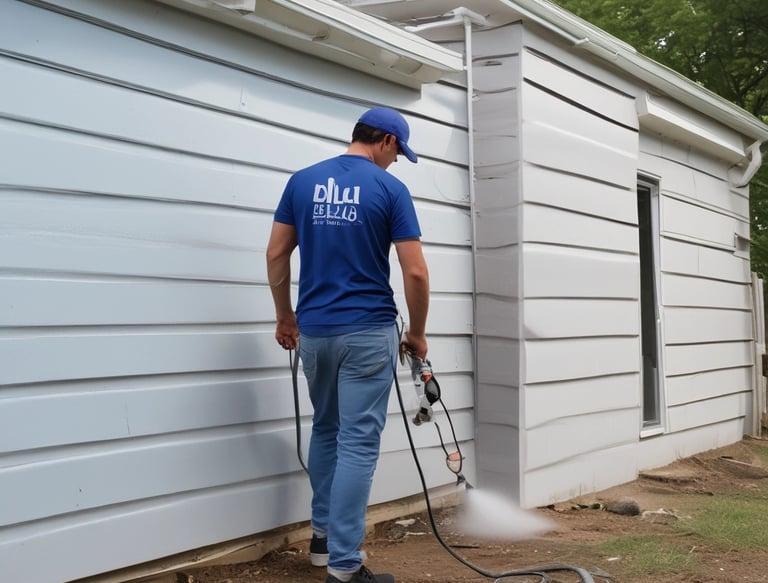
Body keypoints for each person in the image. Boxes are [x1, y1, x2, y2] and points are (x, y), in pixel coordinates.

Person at [266, 107, 430, 583]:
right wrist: (416, 332)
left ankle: (322, 542)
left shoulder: (301, 182)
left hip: (315, 333)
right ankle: (344, 565)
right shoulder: (389, 190)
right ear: (385, 141)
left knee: (326, 429)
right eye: (398, 152)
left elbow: (277, 254)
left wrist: (285, 316)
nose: (396, 162)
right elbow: (415, 271)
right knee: (358, 443)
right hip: (366, 331)